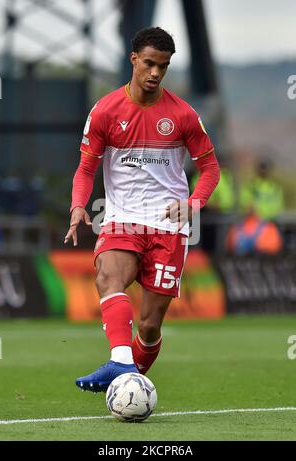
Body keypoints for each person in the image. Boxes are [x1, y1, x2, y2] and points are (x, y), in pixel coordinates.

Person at [64, 27, 220, 394]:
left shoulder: (182, 115)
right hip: (122, 218)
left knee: (149, 326)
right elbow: (86, 169)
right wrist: (77, 207)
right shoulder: (105, 111)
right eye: (149, 63)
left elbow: (211, 169)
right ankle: (121, 361)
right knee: (108, 275)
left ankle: (128, 380)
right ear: (133, 59)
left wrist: (194, 203)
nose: (154, 73)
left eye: (162, 67)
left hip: (169, 226)